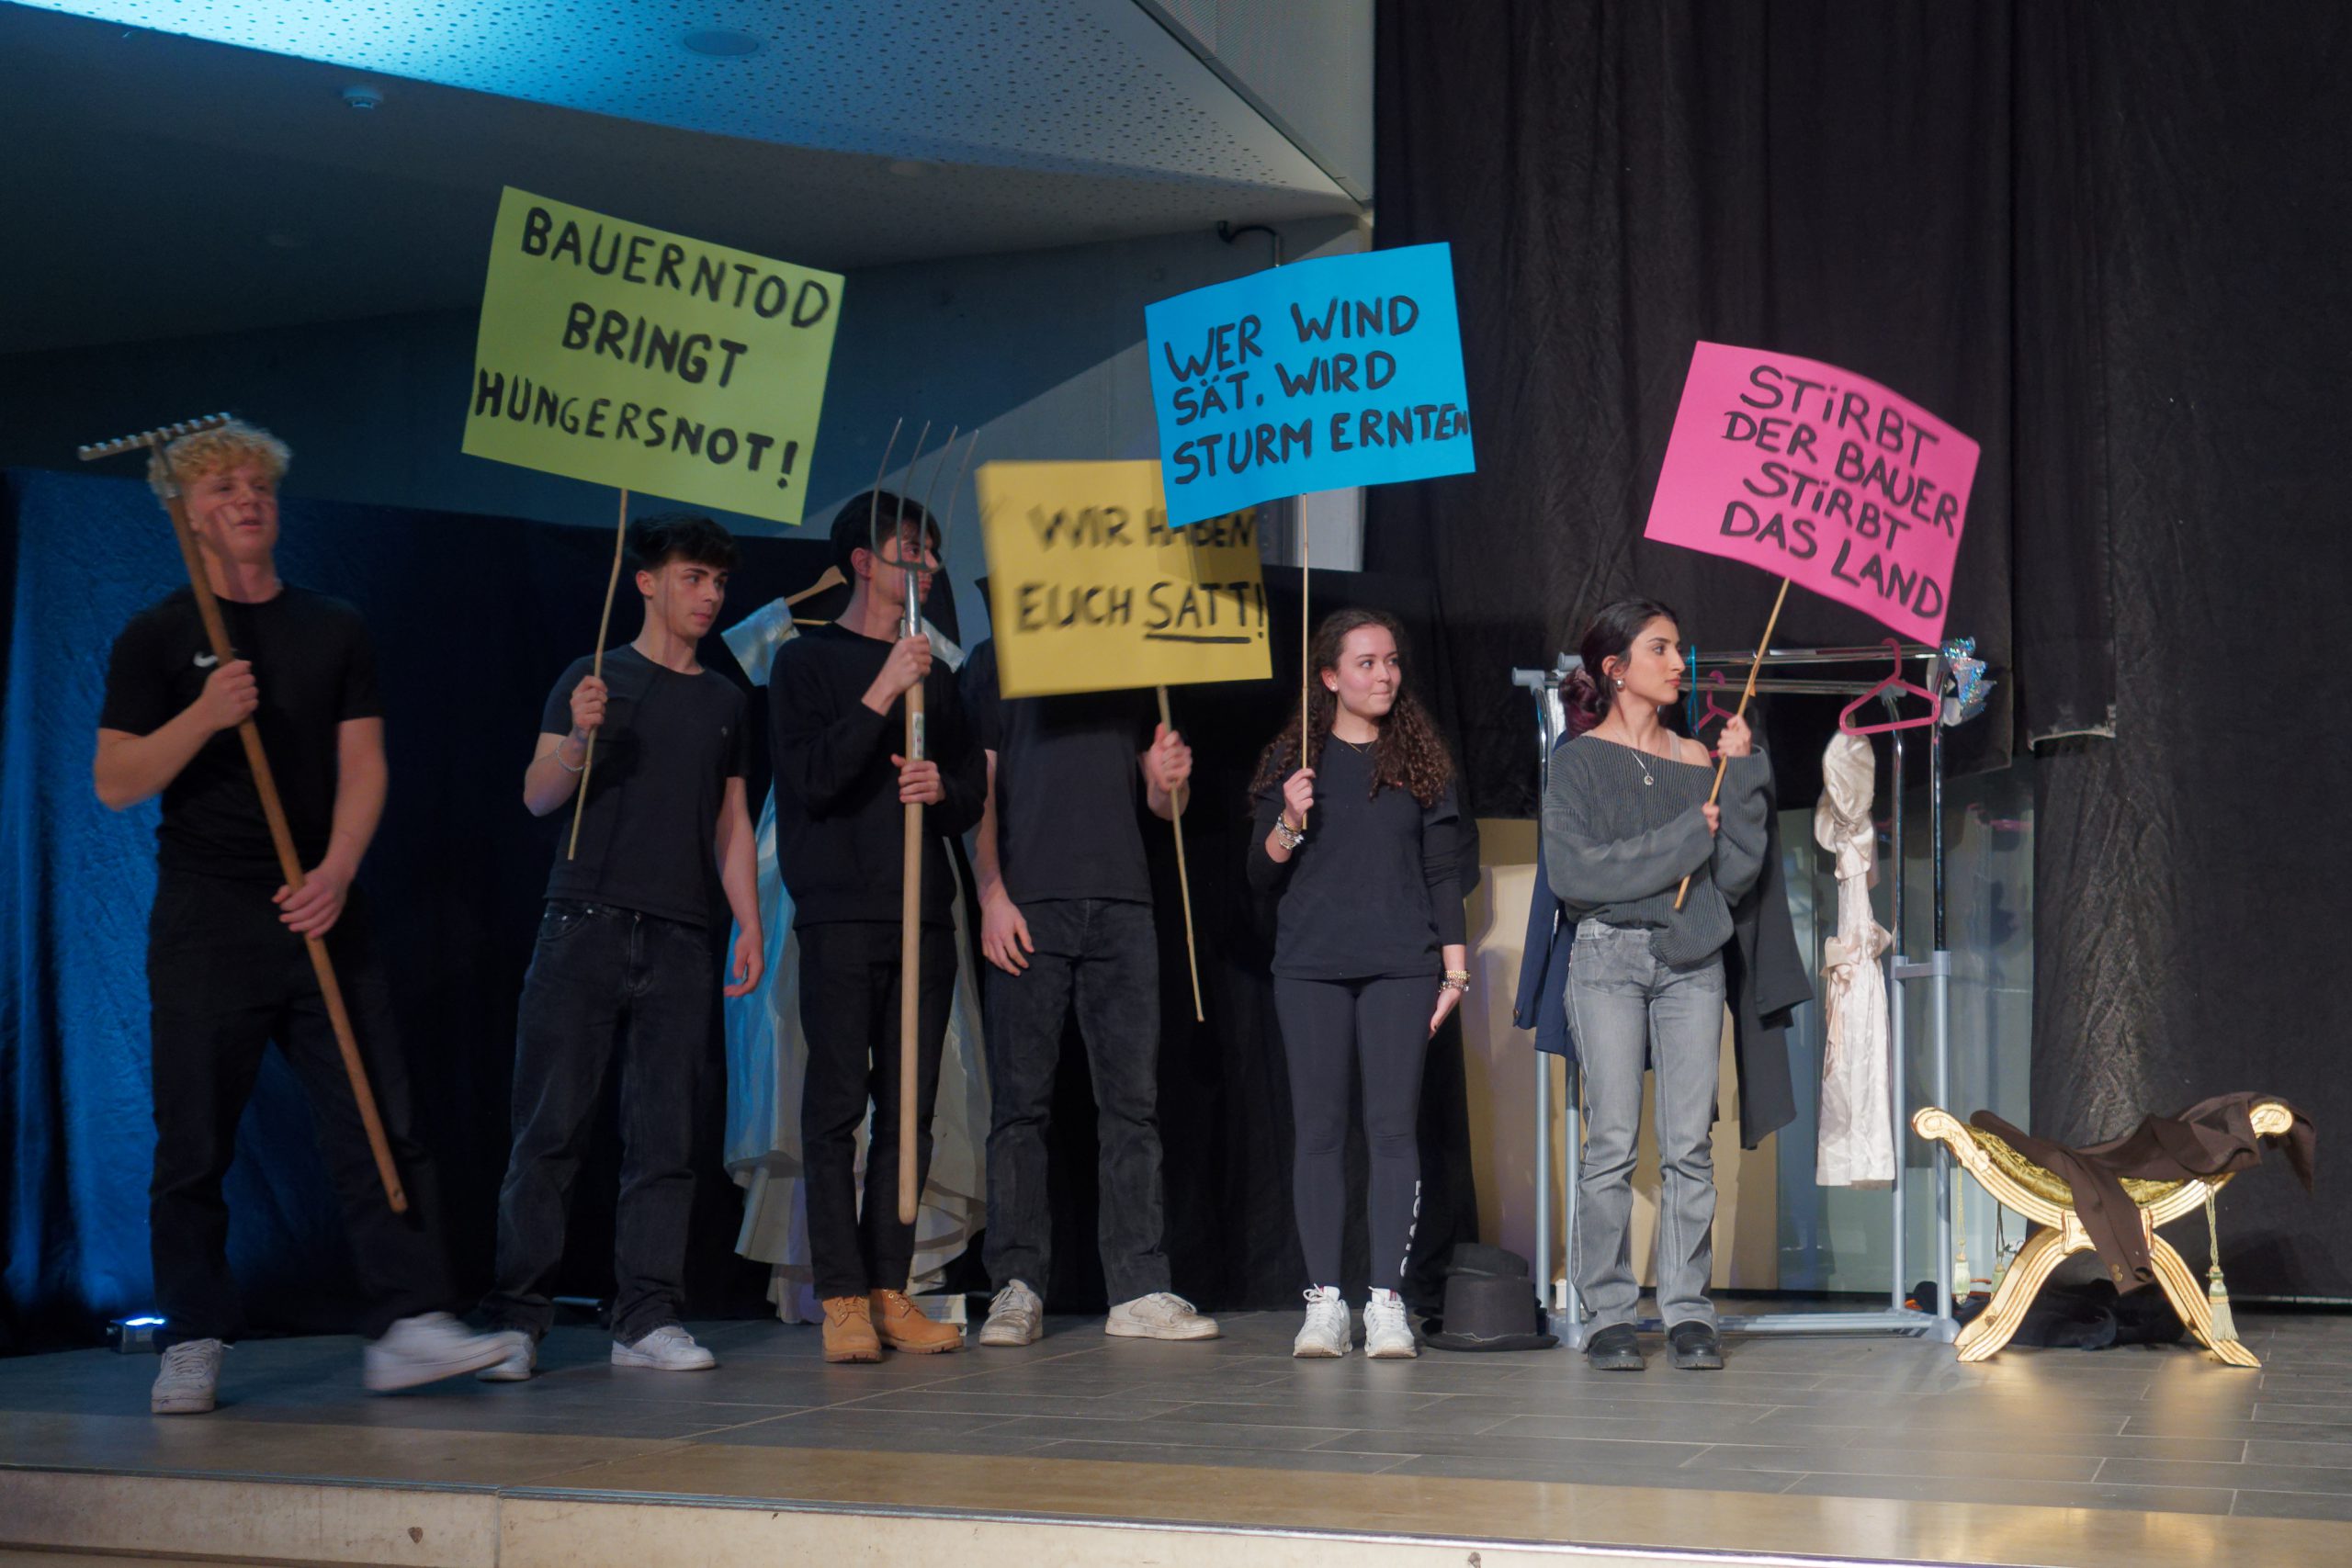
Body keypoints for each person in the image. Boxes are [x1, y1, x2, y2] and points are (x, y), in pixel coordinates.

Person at [95, 420, 517, 1414]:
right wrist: (205, 713)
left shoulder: (333, 625)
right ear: (185, 513)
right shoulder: (157, 636)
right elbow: (115, 780)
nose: (247, 499)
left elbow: (364, 765)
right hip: (207, 917)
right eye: (223, 487)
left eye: (259, 484)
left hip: (321, 904)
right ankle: (193, 1335)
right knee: (194, 1136)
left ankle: (409, 1321)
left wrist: (334, 869)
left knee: (379, 1117)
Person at [479, 513, 762, 1380]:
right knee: (548, 1132)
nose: (709, 595)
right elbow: (536, 796)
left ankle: (646, 1317)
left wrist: (748, 920)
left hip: (680, 935)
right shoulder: (592, 677)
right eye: (692, 577)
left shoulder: (726, 700)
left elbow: (731, 821)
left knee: (665, 1139)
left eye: (718, 581)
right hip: (583, 923)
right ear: (646, 581)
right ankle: (516, 1318)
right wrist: (577, 738)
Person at [768, 492, 985, 1362]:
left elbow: (970, 791)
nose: (925, 566)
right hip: (839, 913)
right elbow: (812, 781)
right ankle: (842, 1295)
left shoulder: (940, 672)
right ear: (862, 561)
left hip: (921, 913)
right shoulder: (805, 662)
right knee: (834, 1108)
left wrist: (942, 789)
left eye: (931, 552)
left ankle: (892, 1288)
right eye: (909, 550)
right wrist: (883, 687)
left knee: (909, 1108)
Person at [961, 636, 1220, 1346]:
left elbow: (1163, 805)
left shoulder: (1129, 656)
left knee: (1133, 1107)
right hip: (1029, 903)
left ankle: (1137, 1287)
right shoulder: (996, 657)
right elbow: (980, 789)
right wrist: (990, 894)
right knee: (1020, 1108)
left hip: (1123, 904)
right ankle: (1016, 1286)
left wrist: (1170, 780)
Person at [1541, 597, 1771, 1372]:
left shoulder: (1698, 758)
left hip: (1691, 959)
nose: (1679, 663)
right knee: (1610, 1142)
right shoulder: (1577, 761)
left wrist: (1744, 776)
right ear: (1616, 668)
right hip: (1607, 957)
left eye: (1678, 648)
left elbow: (1732, 876)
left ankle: (1687, 1310)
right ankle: (1609, 1311)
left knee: (1688, 1146)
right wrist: (1681, 838)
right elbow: (1578, 876)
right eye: (1660, 648)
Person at [1249, 608, 1466, 1360]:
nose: (1384, 674)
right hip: (1310, 967)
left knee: (1392, 1130)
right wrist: (1288, 818)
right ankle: (1324, 1303)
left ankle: (1385, 1302)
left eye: (1392, 660)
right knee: (1317, 1132)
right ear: (1330, 676)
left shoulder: (1419, 760)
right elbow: (1258, 872)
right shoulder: (1294, 761)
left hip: (1402, 965)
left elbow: (1444, 871)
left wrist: (1455, 969)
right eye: (1367, 662)